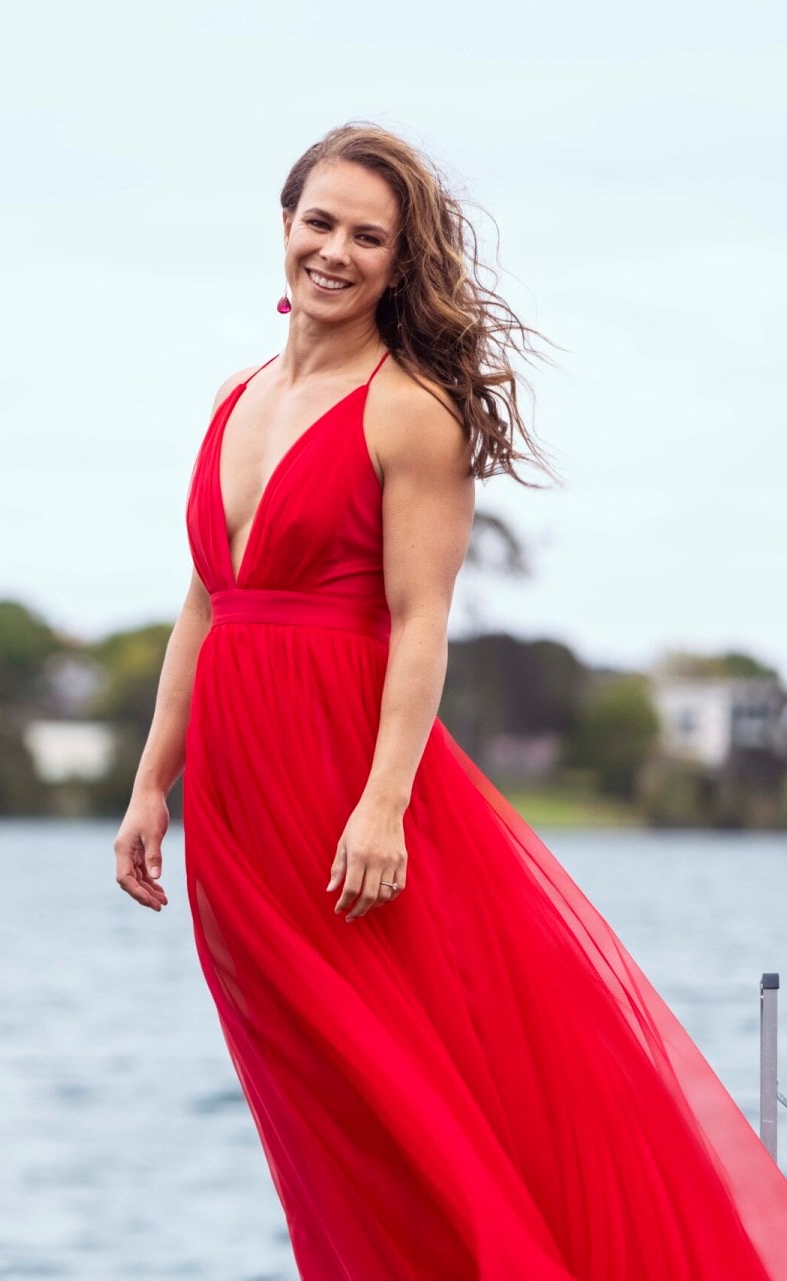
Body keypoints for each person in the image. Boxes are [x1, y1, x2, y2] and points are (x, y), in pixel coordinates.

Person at [111, 121, 787, 1278]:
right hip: (239, 804)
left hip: (348, 790)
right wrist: (148, 788)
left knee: (419, 1082)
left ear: (398, 258)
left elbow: (421, 621)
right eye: (318, 222)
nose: (335, 251)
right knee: (315, 1101)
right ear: (283, 225)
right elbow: (202, 609)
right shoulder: (233, 397)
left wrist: (381, 807)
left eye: (367, 236)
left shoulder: (410, 409)